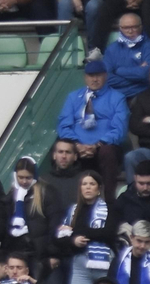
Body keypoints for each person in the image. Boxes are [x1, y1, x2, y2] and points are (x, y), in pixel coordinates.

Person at [54, 59, 128, 190]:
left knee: (108, 151)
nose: (94, 79)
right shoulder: (73, 97)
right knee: (62, 150)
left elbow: (119, 129)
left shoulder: (117, 98)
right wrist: (76, 144)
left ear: (105, 75)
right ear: (85, 77)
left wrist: (97, 145)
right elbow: (64, 125)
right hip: (77, 146)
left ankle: (109, 200)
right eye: (91, 76)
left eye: (98, 75)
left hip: (103, 147)